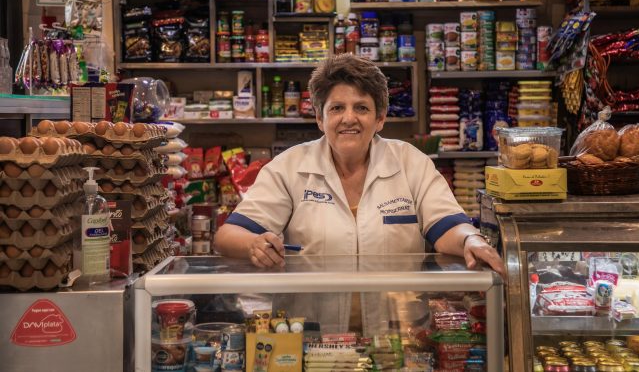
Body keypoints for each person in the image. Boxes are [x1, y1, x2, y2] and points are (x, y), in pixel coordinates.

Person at [214, 54, 505, 277]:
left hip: (398, 334)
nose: (349, 118)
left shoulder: (411, 162)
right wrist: (254, 245)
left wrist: (472, 241)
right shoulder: (289, 167)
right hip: (316, 334)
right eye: (337, 108)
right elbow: (228, 236)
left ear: (379, 118)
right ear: (320, 118)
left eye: (362, 108)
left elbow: (448, 227)